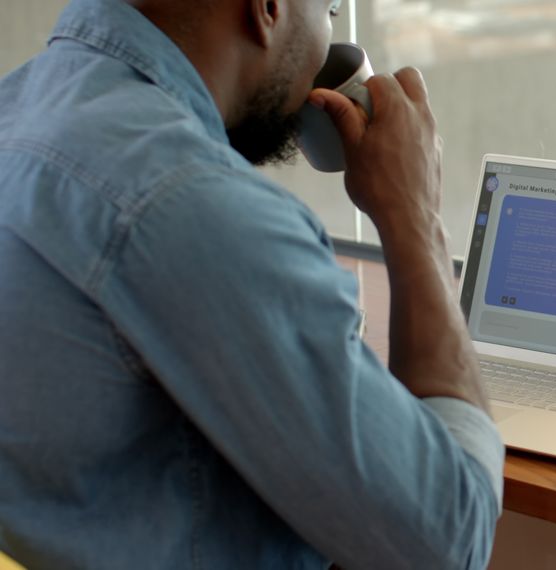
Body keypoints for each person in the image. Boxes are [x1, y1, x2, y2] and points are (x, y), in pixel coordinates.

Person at [0, 0, 503, 567]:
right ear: (267, 9)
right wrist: (414, 216)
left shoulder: (20, 111)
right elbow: (447, 540)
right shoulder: (190, 200)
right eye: (332, 11)